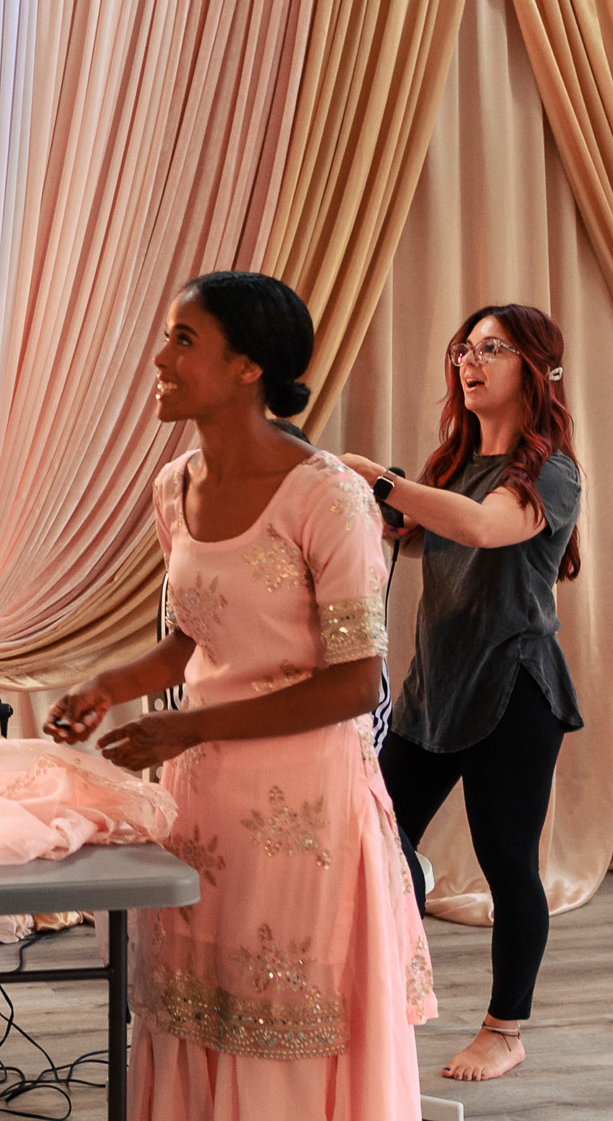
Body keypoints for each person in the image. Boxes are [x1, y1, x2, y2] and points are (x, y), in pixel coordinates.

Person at [47, 270, 433, 1119]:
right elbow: (195, 636)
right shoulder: (174, 486)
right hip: (200, 803)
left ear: (249, 366)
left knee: (282, 1020)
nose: (161, 357)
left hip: (304, 813)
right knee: (197, 1010)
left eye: (184, 340)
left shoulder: (330, 498)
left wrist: (186, 725)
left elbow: (355, 680)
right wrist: (109, 683)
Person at [341, 303, 582, 1082]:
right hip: (433, 688)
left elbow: (483, 527)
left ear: (534, 368)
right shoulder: (448, 464)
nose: (469, 361)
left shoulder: (549, 472)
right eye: (464, 349)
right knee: (375, 842)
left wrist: (384, 480)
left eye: (492, 348)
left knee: (507, 861)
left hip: (513, 690)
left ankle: (506, 1028)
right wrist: (366, 497)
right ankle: (379, 988)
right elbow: (406, 529)